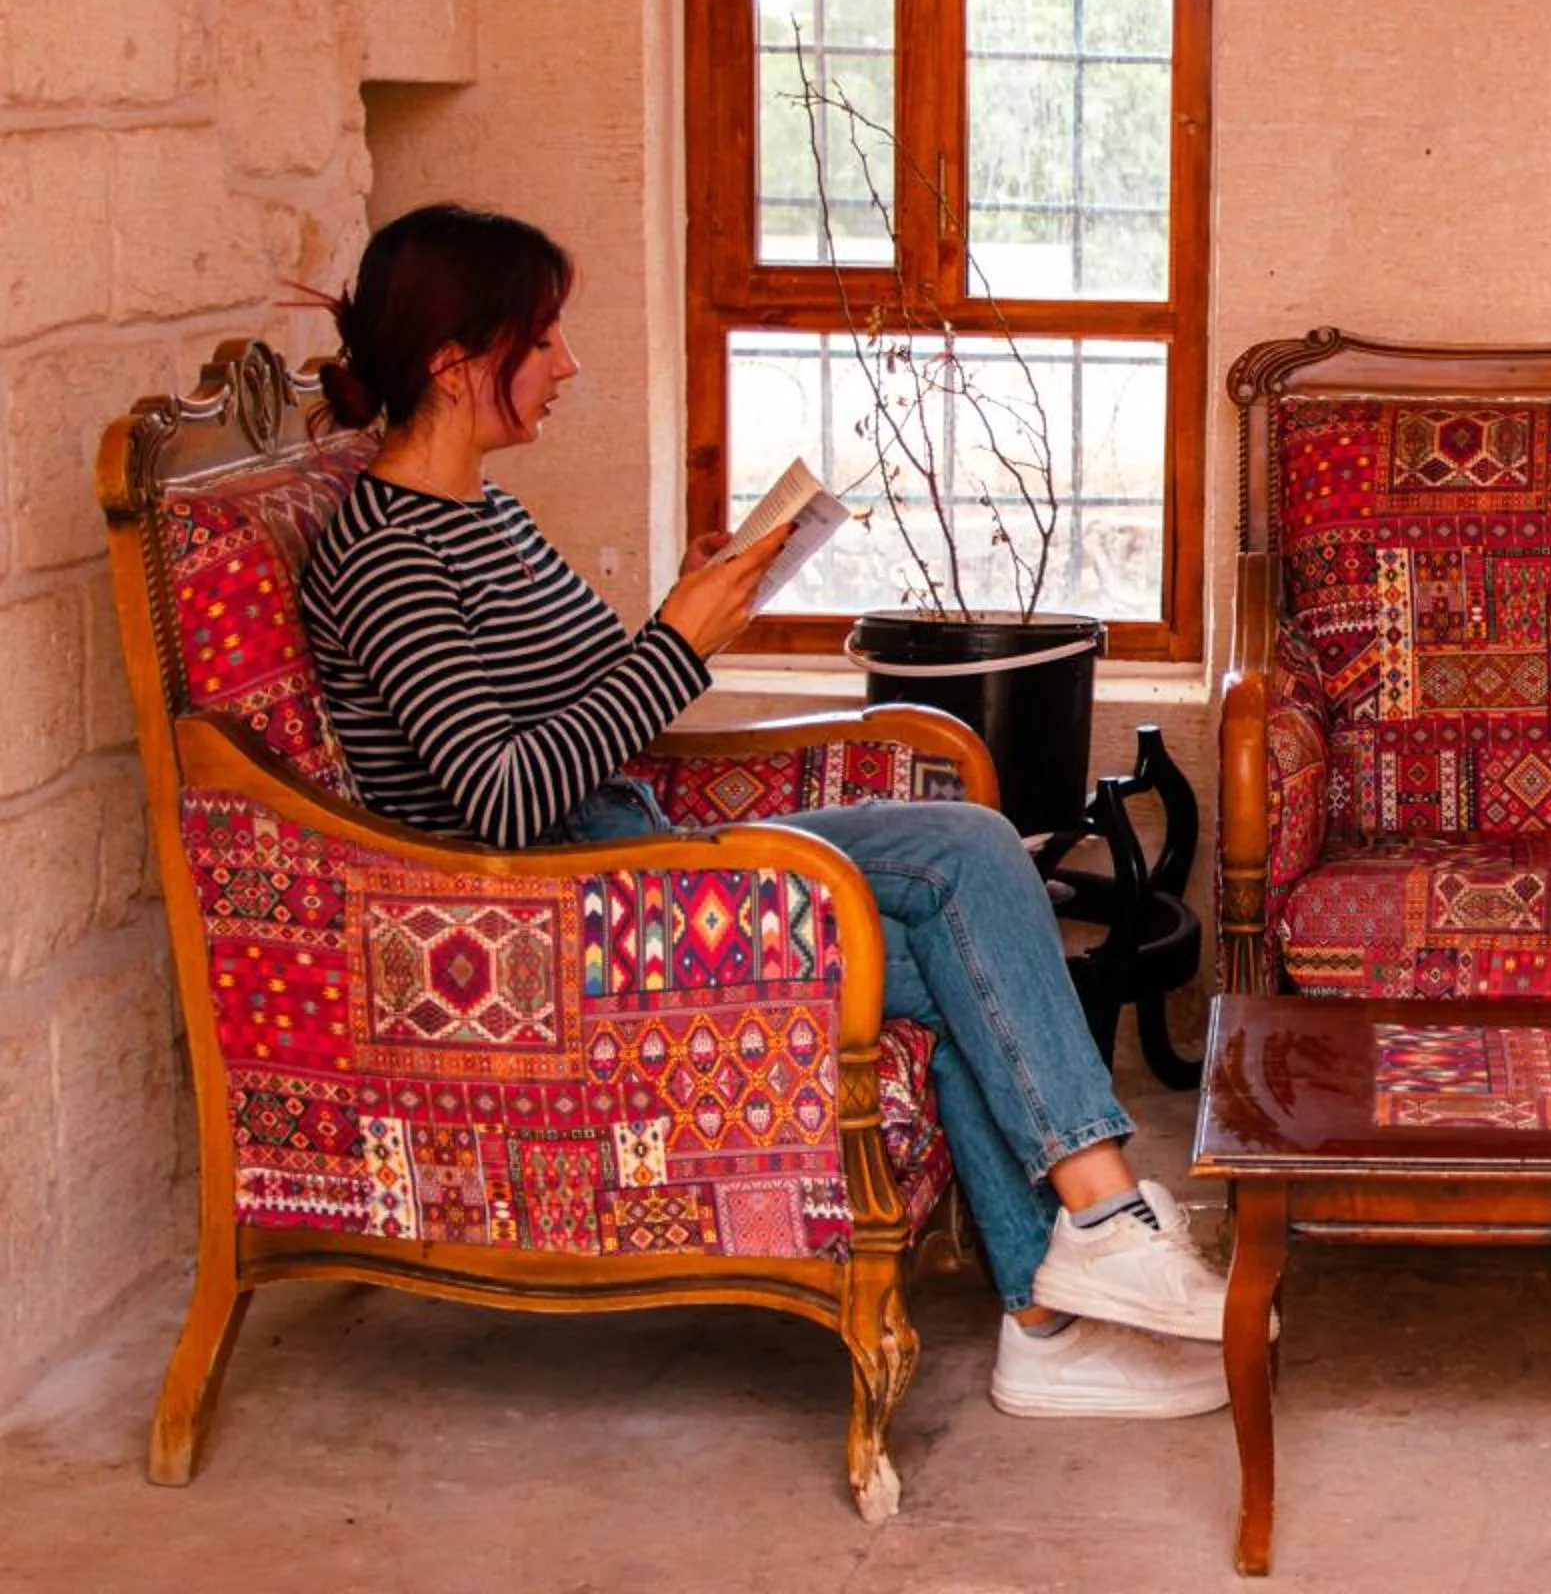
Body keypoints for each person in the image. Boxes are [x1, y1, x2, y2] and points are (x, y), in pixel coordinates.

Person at [297, 202, 1230, 1421]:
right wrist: (685, 639)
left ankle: (1085, 1249)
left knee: (971, 840)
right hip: (549, 906)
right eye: (546, 336)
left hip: (632, 839)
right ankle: (1058, 1293)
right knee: (950, 957)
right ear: (454, 357)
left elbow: (599, 705)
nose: (569, 364)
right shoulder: (387, 560)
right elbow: (507, 796)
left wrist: (694, 601)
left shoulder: (490, 518)